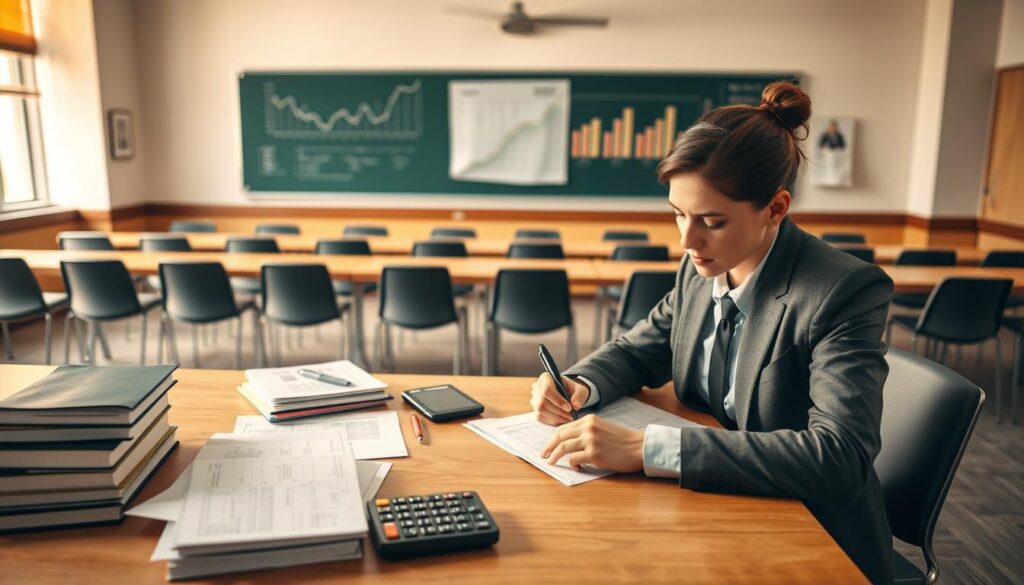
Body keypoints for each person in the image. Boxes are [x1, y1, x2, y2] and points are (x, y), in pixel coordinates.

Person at [530, 82, 894, 584]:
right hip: (715, 503)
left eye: (712, 220)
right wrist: (578, 383)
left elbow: (841, 457)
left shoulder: (843, 290)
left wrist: (645, 449)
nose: (686, 240)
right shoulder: (702, 267)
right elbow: (641, 350)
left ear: (776, 208)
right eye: (678, 214)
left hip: (808, 534)